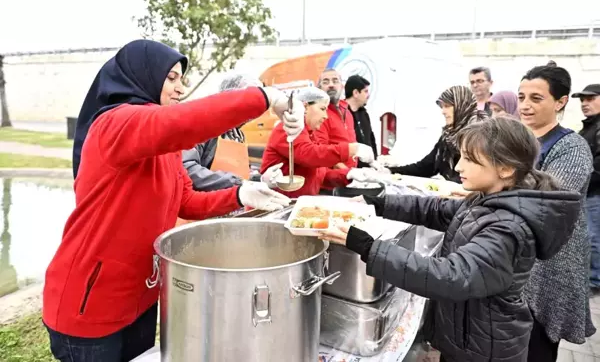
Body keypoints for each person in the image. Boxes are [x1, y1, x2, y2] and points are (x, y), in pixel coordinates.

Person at [43, 39, 305, 362]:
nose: (181, 88)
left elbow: (186, 201)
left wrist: (240, 194)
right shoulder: (113, 125)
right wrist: (267, 97)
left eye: (182, 79)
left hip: (141, 298)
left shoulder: (163, 147)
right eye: (171, 78)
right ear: (144, 75)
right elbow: (181, 123)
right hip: (90, 306)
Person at [320, 117, 582, 361]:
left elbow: (451, 276)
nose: (458, 167)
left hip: (483, 349)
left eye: (469, 159)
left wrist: (369, 247)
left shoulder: (507, 228)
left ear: (504, 168)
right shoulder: (486, 200)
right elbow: (433, 209)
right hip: (468, 336)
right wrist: (376, 203)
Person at [518, 64, 595, 360]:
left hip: (552, 261)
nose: (525, 105)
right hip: (521, 258)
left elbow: (550, 202)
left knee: (538, 344)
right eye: (522, 96)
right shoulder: (521, 141)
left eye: (536, 98)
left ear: (560, 102)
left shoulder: (571, 147)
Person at [260, 87, 377, 198]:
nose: (326, 116)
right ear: (305, 107)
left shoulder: (311, 134)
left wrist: (348, 175)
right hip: (273, 204)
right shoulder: (288, 129)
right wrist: (352, 149)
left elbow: (321, 174)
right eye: (322, 109)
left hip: (296, 203)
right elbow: (309, 155)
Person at [182, 72, 283, 192]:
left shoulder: (238, 134)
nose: (255, 113)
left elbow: (239, 174)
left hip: (234, 205)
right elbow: (186, 169)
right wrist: (238, 183)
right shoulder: (203, 126)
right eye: (250, 103)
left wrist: (259, 179)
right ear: (230, 98)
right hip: (207, 206)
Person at [388, 85, 488, 183]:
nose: (443, 111)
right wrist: (390, 171)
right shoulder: (448, 136)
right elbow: (426, 167)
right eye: (442, 107)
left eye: (447, 106)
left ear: (463, 106)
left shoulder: (481, 135)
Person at [572, 84, 600, 291]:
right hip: (588, 193)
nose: (584, 103)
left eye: (590, 99)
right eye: (582, 100)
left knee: (593, 238)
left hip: (595, 193)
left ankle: (595, 280)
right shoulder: (588, 128)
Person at [314, 69, 358, 194]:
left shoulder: (347, 112)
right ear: (319, 88)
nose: (331, 85)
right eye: (325, 82)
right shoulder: (320, 114)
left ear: (342, 86)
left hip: (348, 180)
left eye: (335, 81)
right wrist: (348, 173)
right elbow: (321, 149)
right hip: (330, 186)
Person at [345, 74, 378, 168]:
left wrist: (374, 160)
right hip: (349, 171)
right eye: (365, 91)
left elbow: (371, 138)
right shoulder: (341, 113)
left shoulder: (364, 114)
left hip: (368, 170)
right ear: (355, 93)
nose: (368, 95)